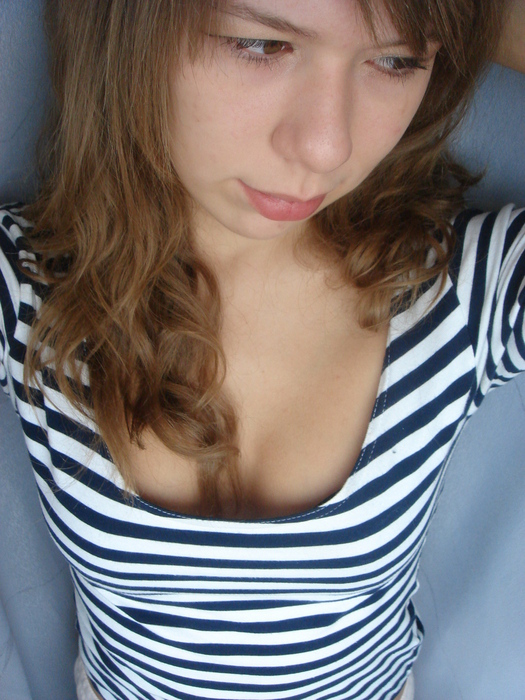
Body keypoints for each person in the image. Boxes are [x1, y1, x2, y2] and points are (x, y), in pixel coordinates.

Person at [0, 1, 524, 699]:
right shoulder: (27, 289)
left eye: (396, 60)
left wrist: (467, 11)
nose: (326, 147)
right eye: (259, 45)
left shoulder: (469, 288)